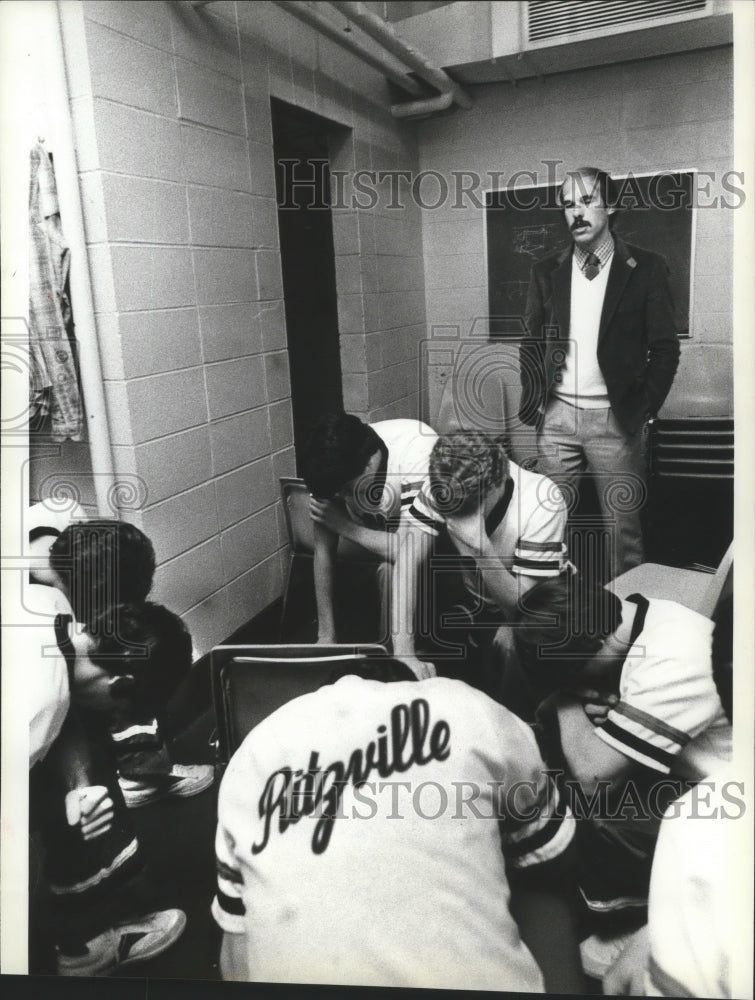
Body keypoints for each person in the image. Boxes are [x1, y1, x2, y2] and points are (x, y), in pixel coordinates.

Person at [212, 659, 584, 992]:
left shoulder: (255, 748)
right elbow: (555, 861)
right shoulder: (468, 705)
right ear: (408, 684)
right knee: (536, 881)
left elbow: (236, 950)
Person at [513, 574, 732, 930]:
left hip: (732, 801)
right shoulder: (632, 615)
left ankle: (645, 901)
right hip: (691, 771)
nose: (578, 683)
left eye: (575, 673)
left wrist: (565, 697)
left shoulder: (673, 655)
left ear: (600, 640)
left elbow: (594, 780)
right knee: (551, 762)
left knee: (592, 819)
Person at [519, 166, 680, 578]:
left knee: (621, 533)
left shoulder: (645, 268)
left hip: (616, 419)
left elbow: (664, 349)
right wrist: (537, 406)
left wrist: (642, 409)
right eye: (569, 204)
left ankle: (623, 622)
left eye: (587, 201)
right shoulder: (545, 270)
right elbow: (532, 343)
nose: (577, 212)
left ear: (610, 205)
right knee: (545, 524)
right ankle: (555, 614)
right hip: (556, 418)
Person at [26, 580, 187, 976]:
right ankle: (76, 950)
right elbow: (54, 708)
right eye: (122, 716)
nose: (117, 724)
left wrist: (79, 786)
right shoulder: (35, 706)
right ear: (121, 684)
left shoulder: (50, 605)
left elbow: (67, 717)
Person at [28, 503, 213, 806]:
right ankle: (136, 775)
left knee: (142, 653)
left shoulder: (64, 519)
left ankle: (141, 769)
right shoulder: (34, 627)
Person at [393, 430, 568, 697]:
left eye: (469, 509)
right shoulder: (444, 482)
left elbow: (528, 611)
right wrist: (404, 652)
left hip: (537, 605)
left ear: (498, 483)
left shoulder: (542, 500)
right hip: (476, 596)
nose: (458, 518)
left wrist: (482, 550)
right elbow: (407, 561)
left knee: (515, 644)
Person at [300, 412, 437, 645]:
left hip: (432, 545)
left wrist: (345, 526)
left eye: (347, 490)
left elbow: (407, 552)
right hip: (379, 539)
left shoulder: (418, 452)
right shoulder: (331, 464)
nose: (341, 497)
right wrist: (325, 637)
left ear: (371, 464)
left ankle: (394, 663)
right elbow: (323, 552)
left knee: (390, 571)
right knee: (384, 571)